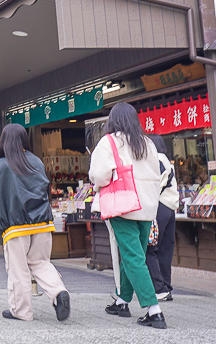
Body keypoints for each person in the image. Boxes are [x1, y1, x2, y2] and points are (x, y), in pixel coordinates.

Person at [90, 102, 164, 329]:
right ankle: (122, 301)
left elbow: (98, 175)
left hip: (122, 205)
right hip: (147, 207)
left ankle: (154, 310)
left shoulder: (109, 142)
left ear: (113, 120)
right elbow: (157, 174)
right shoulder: (147, 143)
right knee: (133, 254)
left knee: (132, 258)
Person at [0, 124, 70, 322]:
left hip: (15, 225)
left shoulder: (2, 164)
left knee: (18, 269)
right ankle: (58, 292)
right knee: (40, 262)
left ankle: (21, 311)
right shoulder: (36, 161)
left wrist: (1, 226)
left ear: (4, 141)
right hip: (42, 222)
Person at [146, 135, 177, 302]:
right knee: (165, 249)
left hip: (159, 207)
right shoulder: (166, 160)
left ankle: (159, 288)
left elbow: (153, 185)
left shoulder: (156, 160)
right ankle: (166, 286)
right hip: (170, 208)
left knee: (150, 248)